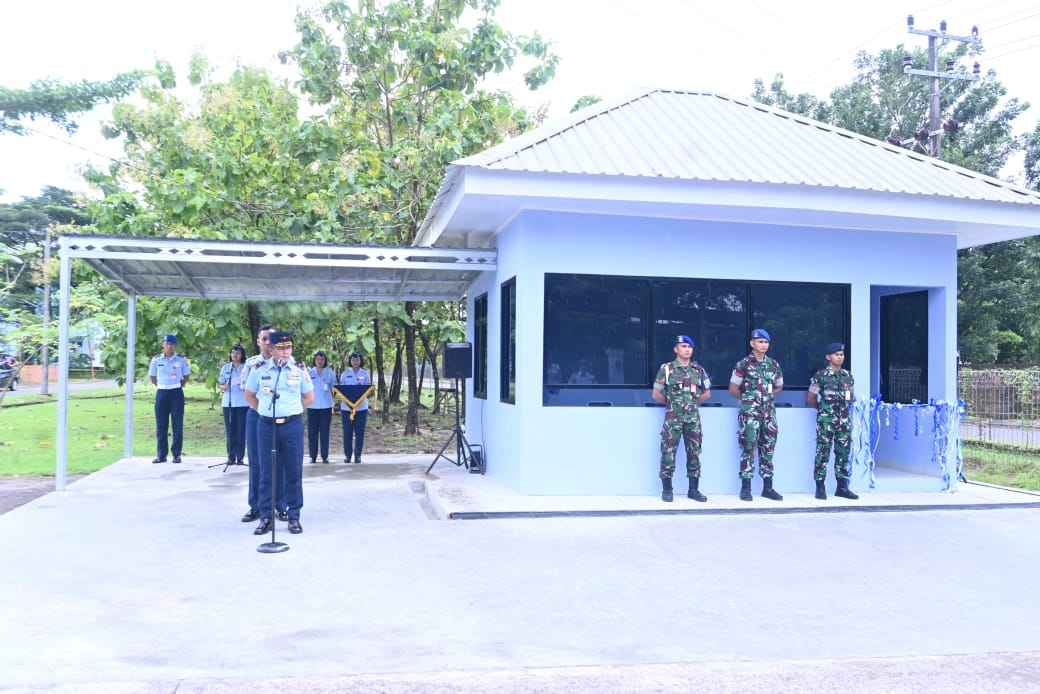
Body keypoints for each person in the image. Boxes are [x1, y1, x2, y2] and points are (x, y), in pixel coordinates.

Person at [244, 331, 314, 535]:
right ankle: (265, 516)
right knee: (266, 472)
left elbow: (309, 397)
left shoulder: (299, 369)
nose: (285, 352)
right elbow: (249, 394)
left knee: (293, 471)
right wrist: (264, 411)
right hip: (266, 426)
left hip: (292, 425)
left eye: (288, 347)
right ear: (271, 349)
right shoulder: (259, 369)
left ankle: (294, 516)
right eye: (281, 348)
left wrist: (291, 411)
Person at [652, 335, 712, 502]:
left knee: (694, 453)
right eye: (683, 346)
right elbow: (656, 394)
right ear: (676, 349)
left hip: (693, 420)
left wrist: (693, 403)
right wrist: (672, 405)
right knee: (668, 452)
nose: (687, 349)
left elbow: (707, 393)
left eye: (689, 347)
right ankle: (667, 490)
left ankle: (693, 490)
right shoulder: (667, 369)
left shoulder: (698, 370)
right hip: (673, 419)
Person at [728, 328, 784, 502]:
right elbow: (733, 389)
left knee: (768, 450)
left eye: (766, 342)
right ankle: (746, 488)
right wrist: (749, 400)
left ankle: (768, 488)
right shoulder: (743, 365)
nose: (763, 345)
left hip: (769, 415)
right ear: (752, 343)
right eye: (760, 342)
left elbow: (779, 386)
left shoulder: (774, 365)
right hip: (750, 415)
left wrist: (767, 398)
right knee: (748, 449)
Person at [240, 324, 287, 524]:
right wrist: (263, 411)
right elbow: (247, 391)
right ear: (258, 342)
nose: (268, 343)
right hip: (257, 415)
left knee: (281, 462)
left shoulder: (286, 363)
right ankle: (257, 506)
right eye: (264, 339)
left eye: (272, 338)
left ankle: (281, 506)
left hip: (280, 417)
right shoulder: (252, 364)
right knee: (257, 462)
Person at [807, 342, 859, 500]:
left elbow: (850, 397)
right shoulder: (820, 376)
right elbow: (811, 399)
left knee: (843, 453)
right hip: (826, 422)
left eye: (842, 354)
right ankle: (820, 487)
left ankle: (842, 487)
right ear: (828, 357)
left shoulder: (848, 376)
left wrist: (843, 408)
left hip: (844, 421)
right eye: (837, 354)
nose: (840, 357)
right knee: (823, 453)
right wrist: (824, 410)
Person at [149, 334, 191, 464]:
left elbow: (186, 375)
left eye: (172, 344)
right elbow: (152, 377)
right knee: (161, 425)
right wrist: (160, 385)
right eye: (167, 343)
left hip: (176, 392)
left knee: (177, 424)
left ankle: (176, 454)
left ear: (175, 346)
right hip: (161, 392)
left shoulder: (181, 360)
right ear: (163, 344)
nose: (169, 346)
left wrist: (180, 385)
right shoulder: (156, 360)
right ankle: (161, 455)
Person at [338, 351, 372, 464]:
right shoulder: (345, 374)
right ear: (350, 361)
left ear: (361, 361)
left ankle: (358, 455)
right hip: (346, 408)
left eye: (357, 360)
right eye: (353, 360)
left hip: (361, 408)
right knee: (347, 432)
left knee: (359, 432)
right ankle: (347, 455)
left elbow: (368, 390)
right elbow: (341, 390)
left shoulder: (365, 374)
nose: (355, 362)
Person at [218, 344, 249, 466]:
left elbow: (250, 384)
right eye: (233, 353)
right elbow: (221, 384)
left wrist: (243, 386)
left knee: (241, 431)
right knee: (231, 431)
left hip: (242, 403)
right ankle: (231, 457)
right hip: (228, 403)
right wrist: (224, 387)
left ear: (242, 355)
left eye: (237, 353)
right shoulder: (226, 368)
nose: (235, 355)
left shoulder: (246, 368)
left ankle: (240, 457)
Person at [307, 350, 336, 464]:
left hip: (326, 406)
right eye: (318, 359)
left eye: (322, 359)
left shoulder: (330, 374)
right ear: (314, 360)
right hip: (312, 406)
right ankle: (312, 456)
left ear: (325, 361)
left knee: (325, 431)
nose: (320, 361)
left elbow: (335, 389)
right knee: (312, 432)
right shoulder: (309, 374)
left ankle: (325, 456)